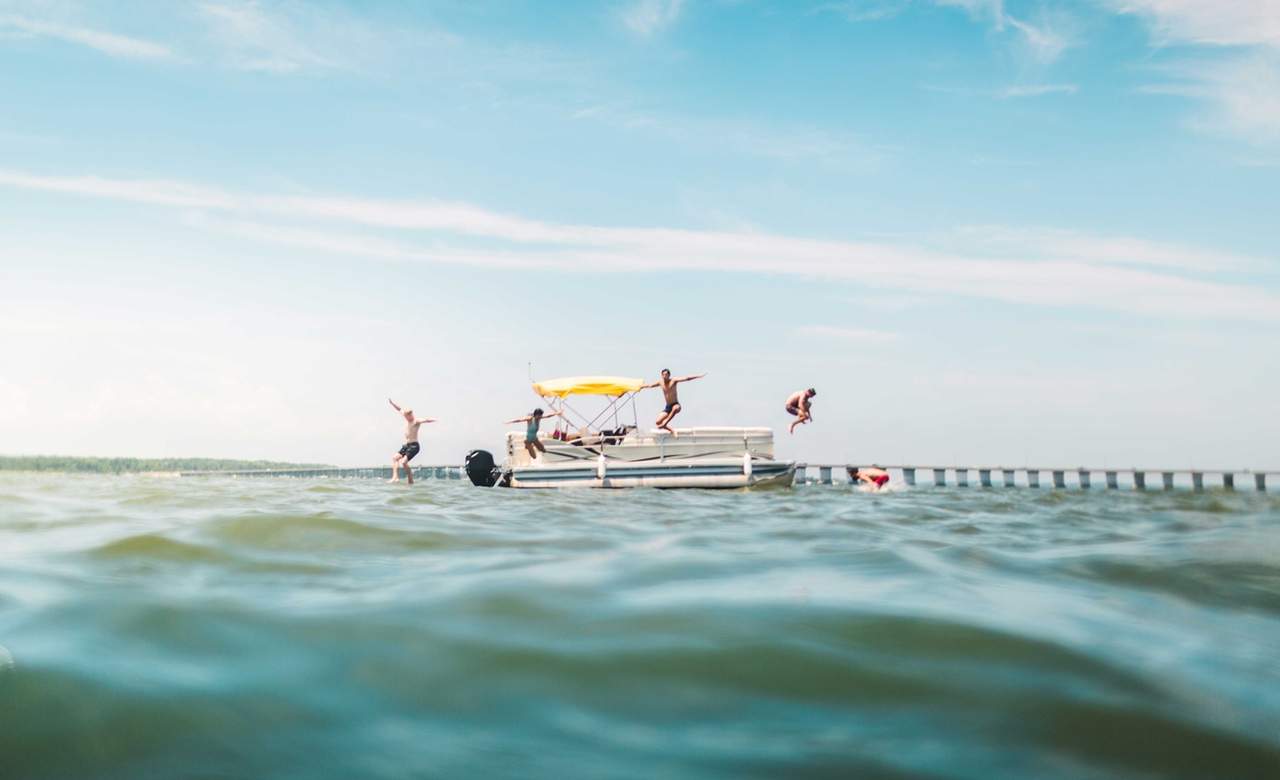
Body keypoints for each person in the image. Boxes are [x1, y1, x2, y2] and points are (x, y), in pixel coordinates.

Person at [641, 369, 706, 436]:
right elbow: (650, 385)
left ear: (669, 375)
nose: (664, 376)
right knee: (658, 422)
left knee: (675, 408)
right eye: (663, 375)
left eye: (666, 374)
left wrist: (698, 376)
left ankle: (665, 423)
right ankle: (671, 430)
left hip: (675, 404)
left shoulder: (673, 380)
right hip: (668, 407)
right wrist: (641, 386)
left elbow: (687, 378)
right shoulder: (660, 382)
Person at [387, 398, 436, 484]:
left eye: (408, 416)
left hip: (414, 446)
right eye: (405, 416)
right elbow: (399, 409)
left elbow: (425, 420)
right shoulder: (406, 417)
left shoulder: (416, 421)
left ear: (411, 415)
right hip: (407, 445)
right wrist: (392, 403)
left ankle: (410, 480)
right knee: (395, 458)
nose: (406, 418)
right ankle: (395, 477)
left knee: (404, 462)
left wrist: (433, 419)